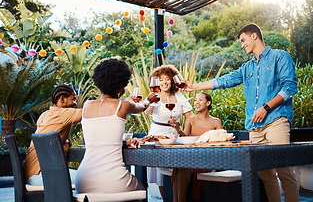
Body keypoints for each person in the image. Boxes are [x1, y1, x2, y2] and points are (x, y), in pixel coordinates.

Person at [184, 23, 299, 202]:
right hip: (254, 127)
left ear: (254, 36)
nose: (242, 44)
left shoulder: (280, 56)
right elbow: (225, 80)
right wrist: (194, 87)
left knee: (284, 169)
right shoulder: (247, 68)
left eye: (243, 40)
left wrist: (266, 107)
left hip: (276, 120)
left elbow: (290, 87)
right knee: (266, 175)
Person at [75, 58, 158, 194]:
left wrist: (123, 143)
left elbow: (102, 137)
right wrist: (149, 99)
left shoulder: (87, 105)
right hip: (112, 180)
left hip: (83, 180)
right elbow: (142, 106)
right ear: (120, 87)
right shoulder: (123, 105)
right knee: (142, 190)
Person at [145, 64, 194, 199]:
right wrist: (150, 102)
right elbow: (147, 111)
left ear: (172, 80)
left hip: (176, 136)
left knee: (177, 170)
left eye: (167, 79)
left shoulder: (178, 95)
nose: (164, 82)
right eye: (160, 79)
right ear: (156, 82)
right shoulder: (154, 96)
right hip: (158, 136)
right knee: (160, 174)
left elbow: (190, 115)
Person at [23, 84, 82, 186]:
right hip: (40, 176)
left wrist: (65, 144)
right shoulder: (64, 113)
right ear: (62, 99)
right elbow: (90, 112)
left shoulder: (45, 115)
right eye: (73, 99)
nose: (75, 103)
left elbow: (49, 144)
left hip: (28, 175)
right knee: (87, 179)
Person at [170, 92, 222, 202]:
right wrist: (178, 129)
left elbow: (220, 141)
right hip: (191, 158)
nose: (196, 103)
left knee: (183, 166)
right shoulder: (190, 120)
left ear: (208, 103)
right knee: (181, 166)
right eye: (195, 100)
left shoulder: (216, 122)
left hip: (208, 159)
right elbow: (185, 137)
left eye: (200, 100)